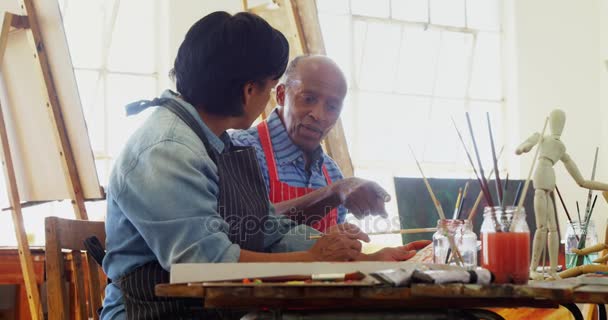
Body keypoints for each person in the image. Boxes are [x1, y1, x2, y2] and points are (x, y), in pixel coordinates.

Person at [101, 12, 371, 320]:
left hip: (209, 309)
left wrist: (346, 253)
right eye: (270, 89)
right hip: (152, 313)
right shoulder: (167, 150)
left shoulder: (218, 143)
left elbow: (268, 229)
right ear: (249, 91)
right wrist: (312, 259)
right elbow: (206, 266)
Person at [231, 55, 430, 261]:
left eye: (332, 107)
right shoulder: (242, 150)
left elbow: (329, 256)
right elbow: (250, 227)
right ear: (281, 95)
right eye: (308, 99)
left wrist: (364, 255)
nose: (319, 115)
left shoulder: (331, 171)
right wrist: (332, 193)